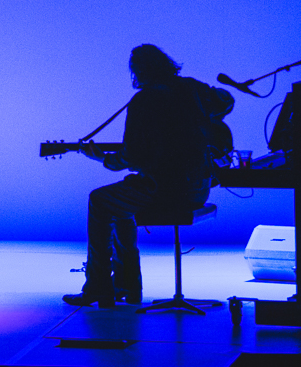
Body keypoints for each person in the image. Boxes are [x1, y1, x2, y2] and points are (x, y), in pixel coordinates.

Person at [64, 44, 234, 308]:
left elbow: (130, 157)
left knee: (100, 200)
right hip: (198, 190)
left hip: (163, 192)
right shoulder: (194, 89)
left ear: (138, 71)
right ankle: (127, 287)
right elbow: (226, 100)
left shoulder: (144, 101)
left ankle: (98, 287)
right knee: (120, 201)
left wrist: (102, 158)